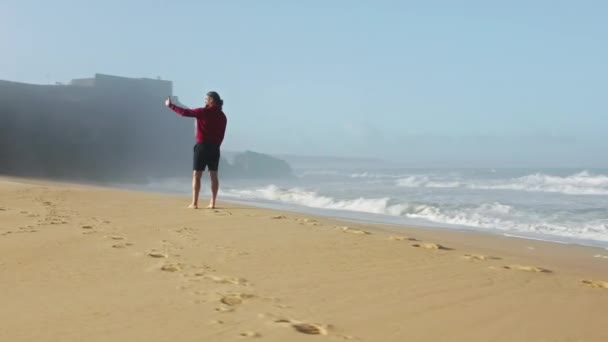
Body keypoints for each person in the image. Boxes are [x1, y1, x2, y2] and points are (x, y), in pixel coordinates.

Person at [164, 91, 227, 209]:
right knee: (214, 175)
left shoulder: (203, 112)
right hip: (215, 148)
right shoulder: (223, 116)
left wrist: (170, 105)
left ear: (212, 100)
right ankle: (212, 203)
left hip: (202, 147)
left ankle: (194, 203)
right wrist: (217, 145)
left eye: (207, 98)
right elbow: (222, 134)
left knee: (196, 175)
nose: (205, 100)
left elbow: (184, 112)